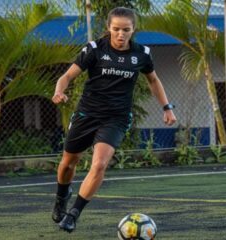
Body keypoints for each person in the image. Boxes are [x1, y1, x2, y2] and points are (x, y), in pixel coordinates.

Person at [51, 6, 177, 233]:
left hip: (116, 118)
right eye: (116, 29)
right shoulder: (94, 50)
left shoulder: (142, 54)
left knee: (99, 164)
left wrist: (166, 107)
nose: (121, 34)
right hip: (86, 114)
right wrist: (60, 91)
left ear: (133, 30)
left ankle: (73, 213)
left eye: (126, 30)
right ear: (109, 28)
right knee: (68, 163)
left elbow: (154, 81)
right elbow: (67, 75)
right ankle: (62, 196)